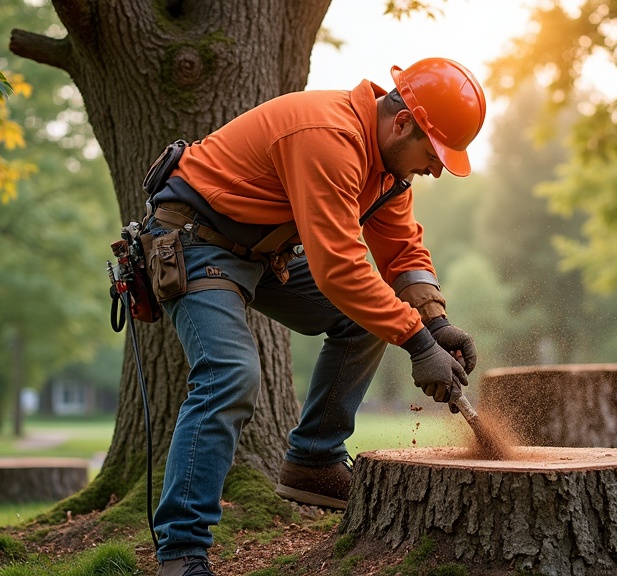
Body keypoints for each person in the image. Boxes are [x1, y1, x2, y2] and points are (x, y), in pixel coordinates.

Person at [145, 57, 486, 576]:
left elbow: (402, 252)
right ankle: (181, 552)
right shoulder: (328, 136)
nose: (437, 168)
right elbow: (340, 269)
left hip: (262, 251)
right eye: (434, 152)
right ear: (401, 123)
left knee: (369, 319)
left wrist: (435, 324)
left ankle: (313, 462)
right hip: (196, 244)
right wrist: (419, 345)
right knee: (229, 375)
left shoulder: (388, 169)